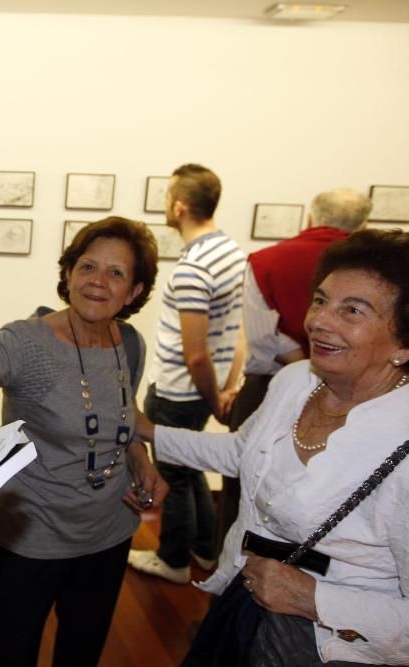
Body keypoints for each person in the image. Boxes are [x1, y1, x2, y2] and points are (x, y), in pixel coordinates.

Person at [0, 217, 169, 667]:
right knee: (10, 654)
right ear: (68, 273)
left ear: (135, 291)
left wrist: (140, 460)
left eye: (116, 273)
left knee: (82, 650)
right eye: (87, 266)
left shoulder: (131, 344)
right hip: (31, 538)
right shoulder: (27, 342)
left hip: (109, 534)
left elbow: (122, 417)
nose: (97, 282)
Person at [137, 228, 409, 665]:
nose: (320, 320)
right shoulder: (295, 381)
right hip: (242, 612)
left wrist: (315, 598)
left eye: (352, 310)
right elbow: (242, 452)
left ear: (402, 345)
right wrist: (146, 430)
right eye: (320, 300)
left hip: (333, 649)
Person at [214, 188, 372, 559]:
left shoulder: (267, 261)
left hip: (271, 385)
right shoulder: (379, 274)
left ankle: (229, 593)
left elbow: (262, 338)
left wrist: (310, 367)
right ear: (364, 223)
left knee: (243, 493)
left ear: (310, 218)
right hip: (362, 391)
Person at [128, 163, 246, 584]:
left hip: (181, 390)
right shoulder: (233, 253)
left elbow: (195, 355)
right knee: (191, 467)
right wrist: (227, 389)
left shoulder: (194, 265)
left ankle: (173, 559)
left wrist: (217, 400)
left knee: (174, 475)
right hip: (204, 390)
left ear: (178, 206)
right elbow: (240, 333)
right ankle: (204, 548)